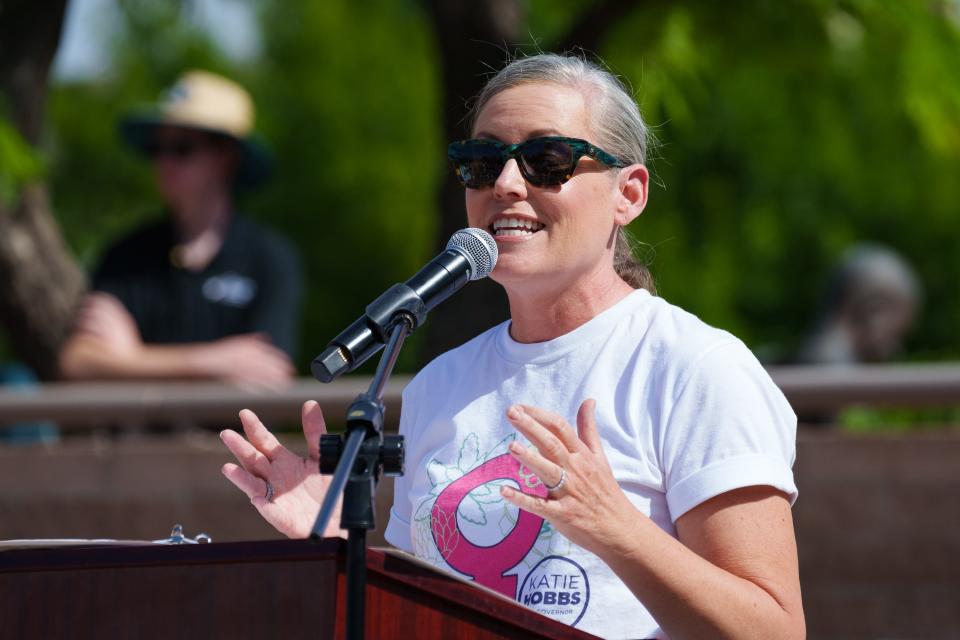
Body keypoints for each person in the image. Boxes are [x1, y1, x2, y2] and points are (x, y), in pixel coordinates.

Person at [220, 54, 804, 639]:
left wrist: (617, 528)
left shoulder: (695, 368)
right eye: (481, 162)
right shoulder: (438, 386)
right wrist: (340, 547)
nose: (504, 184)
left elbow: (775, 633)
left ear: (628, 194)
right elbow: (413, 616)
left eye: (546, 161)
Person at [59, 71, 302, 388]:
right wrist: (212, 361)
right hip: (140, 439)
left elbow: (270, 373)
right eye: (157, 149)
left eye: (182, 147)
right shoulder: (126, 254)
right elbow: (77, 362)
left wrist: (129, 359)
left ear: (226, 158)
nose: (164, 162)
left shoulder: (270, 257)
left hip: (232, 438)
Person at [797, 243, 920, 366]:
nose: (896, 349)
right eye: (896, 336)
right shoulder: (835, 373)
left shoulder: (815, 359)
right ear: (874, 309)